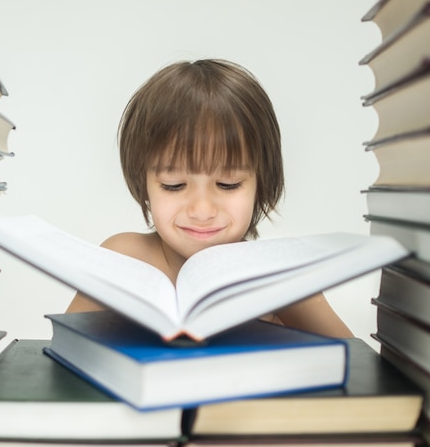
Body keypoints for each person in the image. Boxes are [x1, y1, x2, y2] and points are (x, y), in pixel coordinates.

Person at [67, 59, 354, 338]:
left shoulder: (276, 276)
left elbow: (359, 369)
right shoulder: (121, 258)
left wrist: (295, 296)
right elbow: (59, 357)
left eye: (228, 184)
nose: (202, 210)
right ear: (143, 185)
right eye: (174, 185)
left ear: (260, 184)